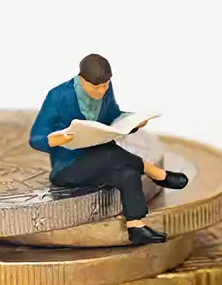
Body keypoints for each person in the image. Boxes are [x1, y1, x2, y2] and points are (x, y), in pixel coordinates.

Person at [28, 53, 188, 244]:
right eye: (97, 87)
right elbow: (36, 137)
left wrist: (132, 123)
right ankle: (158, 174)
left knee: (127, 172)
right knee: (110, 154)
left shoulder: (106, 88)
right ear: (81, 80)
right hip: (69, 166)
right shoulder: (58, 95)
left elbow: (113, 116)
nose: (103, 90)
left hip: (102, 158)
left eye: (106, 85)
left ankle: (135, 225)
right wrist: (53, 140)